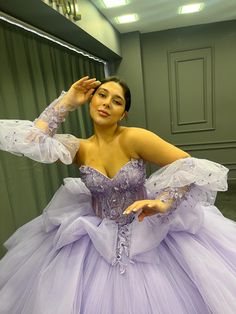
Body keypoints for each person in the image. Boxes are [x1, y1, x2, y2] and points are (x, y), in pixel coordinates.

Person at [0, 76, 235, 314]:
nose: (106, 104)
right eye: (101, 95)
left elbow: (190, 165)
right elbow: (31, 140)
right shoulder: (78, 148)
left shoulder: (134, 138)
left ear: (123, 114)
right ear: (91, 100)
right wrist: (68, 101)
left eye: (117, 101)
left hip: (146, 231)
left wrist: (163, 203)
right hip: (95, 233)